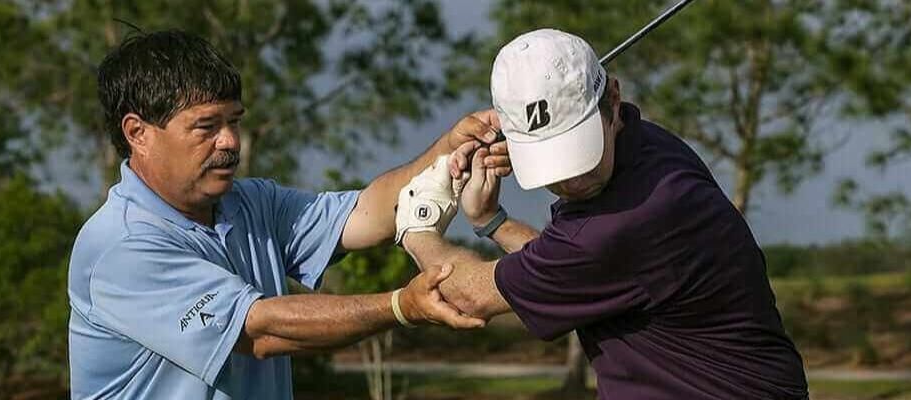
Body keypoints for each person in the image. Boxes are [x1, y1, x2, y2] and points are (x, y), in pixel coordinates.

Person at [67, 30, 505, 399]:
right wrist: (401, 306)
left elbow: (368, 214)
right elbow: (260, 331)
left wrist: (447, 151)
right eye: (206, 126)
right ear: (137, 133)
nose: (230, 142)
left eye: (234, 121)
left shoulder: (251, 202)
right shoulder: (121, 246)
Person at [396, 29, 809, 399]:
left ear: (613, 99)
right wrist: (492, 221)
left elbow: (468, 295)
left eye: (579, 153)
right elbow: (571, 269)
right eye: (550, 164)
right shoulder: (647, 148)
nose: (572, 181)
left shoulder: (637, 214)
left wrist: (417, 219)